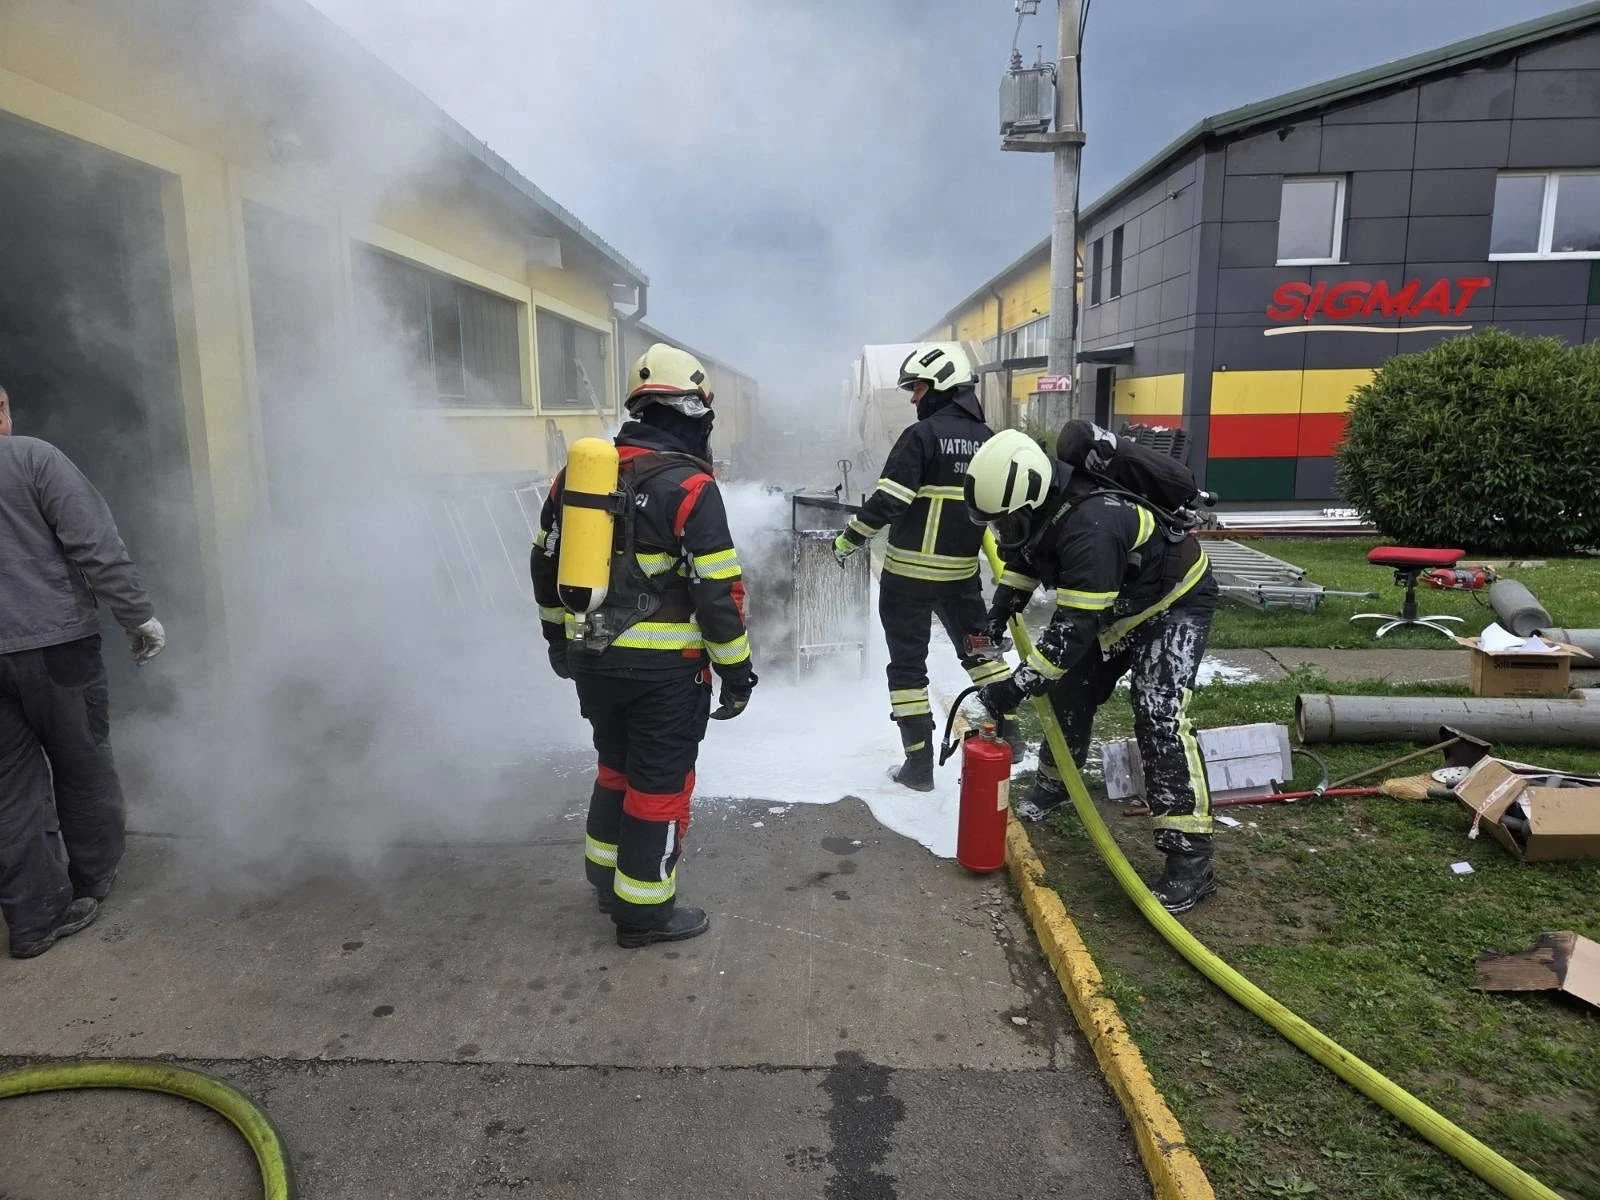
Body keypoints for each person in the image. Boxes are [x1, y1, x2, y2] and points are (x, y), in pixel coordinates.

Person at [531, 345, 756, 949]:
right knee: (659, 787)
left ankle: (606, 880)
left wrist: (557, 638)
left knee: (615, 769)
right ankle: (643, 914)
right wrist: (738, 674)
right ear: (691, 409)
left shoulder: (577, 480)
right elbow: (718, 593)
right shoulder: (691, 486)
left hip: (593, 662)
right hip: (666, 677)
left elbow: (543, 563)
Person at [964, 429, 1220, 914]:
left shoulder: (1092, 524)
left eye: (1006, 520)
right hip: (1118, 604)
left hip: (1173, 602)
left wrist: (1012, 688)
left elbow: (1071, 632)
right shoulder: (1041, 509)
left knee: (1159, 714)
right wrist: (1000, 611)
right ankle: (1056, 785)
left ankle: (1190, 859)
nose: (1001, 530)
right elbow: (1027, 557)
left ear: (1032, 498)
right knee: (1070, 694)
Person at [0, 384, 166, 959]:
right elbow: (95, 544)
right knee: (82, 762)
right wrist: (137, 615)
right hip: (56, 647)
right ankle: (91, 879)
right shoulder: (33, 458)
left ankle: (33, 921)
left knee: (9, 788)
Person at [831, 343, 1014, 792]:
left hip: (907, 581)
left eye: (918, 388)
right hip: (961, 580)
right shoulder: (990, 440)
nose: (914, 398)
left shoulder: (922, 436)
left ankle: (918, 767)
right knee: (982, 655)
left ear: (943, 386)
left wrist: (850, 538)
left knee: (908, 670)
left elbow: (889, 501)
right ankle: (1012, 737)